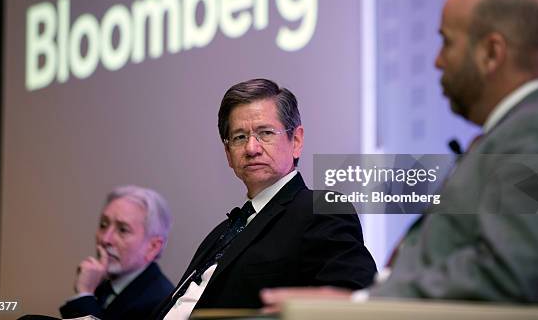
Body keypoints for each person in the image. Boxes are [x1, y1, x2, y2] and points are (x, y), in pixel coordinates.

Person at [260, 0, 538, 308]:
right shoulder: (519, 131)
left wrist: (359, 305)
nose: (437, 61)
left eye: (447, 42)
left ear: (491, 52)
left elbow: (508, 274)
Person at [155, 78, 377, 319]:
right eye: (239, 137)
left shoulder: (319, 210)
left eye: (265, 133)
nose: (251, 148)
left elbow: (353, 300)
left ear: (297, 141)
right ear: (228, 154)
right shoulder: (220, 233)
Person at [59, 186, 174, 319]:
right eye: (103, 225)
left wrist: (85, 294)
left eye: (123, 230)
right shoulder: (104, 286)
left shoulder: (160, 304)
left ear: (153, 247)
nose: (105, 239)